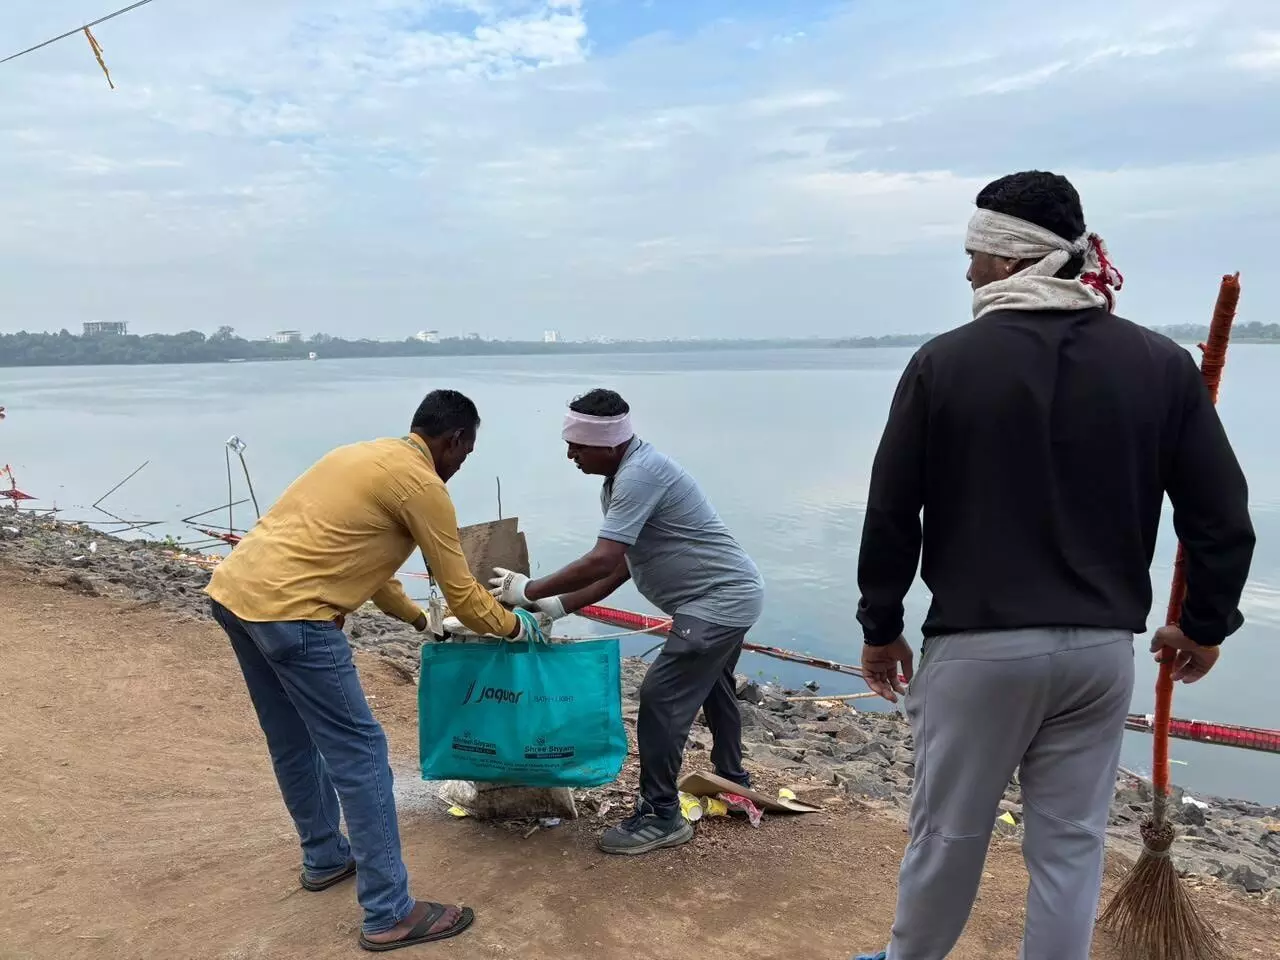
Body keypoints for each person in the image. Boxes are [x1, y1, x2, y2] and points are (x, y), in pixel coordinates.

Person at [850, 171, 1255, 960]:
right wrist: (1205, 625)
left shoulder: (945, 363)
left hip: (980, 650)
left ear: (1009, 262)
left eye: (974, 255)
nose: (967, 271)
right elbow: (1221, 518)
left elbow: (893, 512)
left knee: (949, 833)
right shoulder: (1160, 365)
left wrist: (880, 625)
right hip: (1102, 654)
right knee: (1071, 848)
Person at [206, 389, 541, 953]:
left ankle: (324, 858)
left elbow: (369, 567)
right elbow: (462, 594)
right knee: (360, 757)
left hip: (236, 598)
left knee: (291, 740)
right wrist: (516, 629)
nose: (462, 465)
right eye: (466, 453)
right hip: (297, 620)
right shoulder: (423, 486)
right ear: (454, 439)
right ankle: (390, 913)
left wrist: (416, 620)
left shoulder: (357, 457)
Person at [488, 388, 765, 855]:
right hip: (727, 596)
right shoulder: (621, 477)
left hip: (717, 602)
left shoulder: (640, 474)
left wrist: (529, 590)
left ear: (610, 443)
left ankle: (661, 814)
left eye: (577, 445)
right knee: (713, 685)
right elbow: (621, 567)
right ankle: (731, 778)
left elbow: (602, 559)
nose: (570, 454)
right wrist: (558, 607)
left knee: (660, 697)